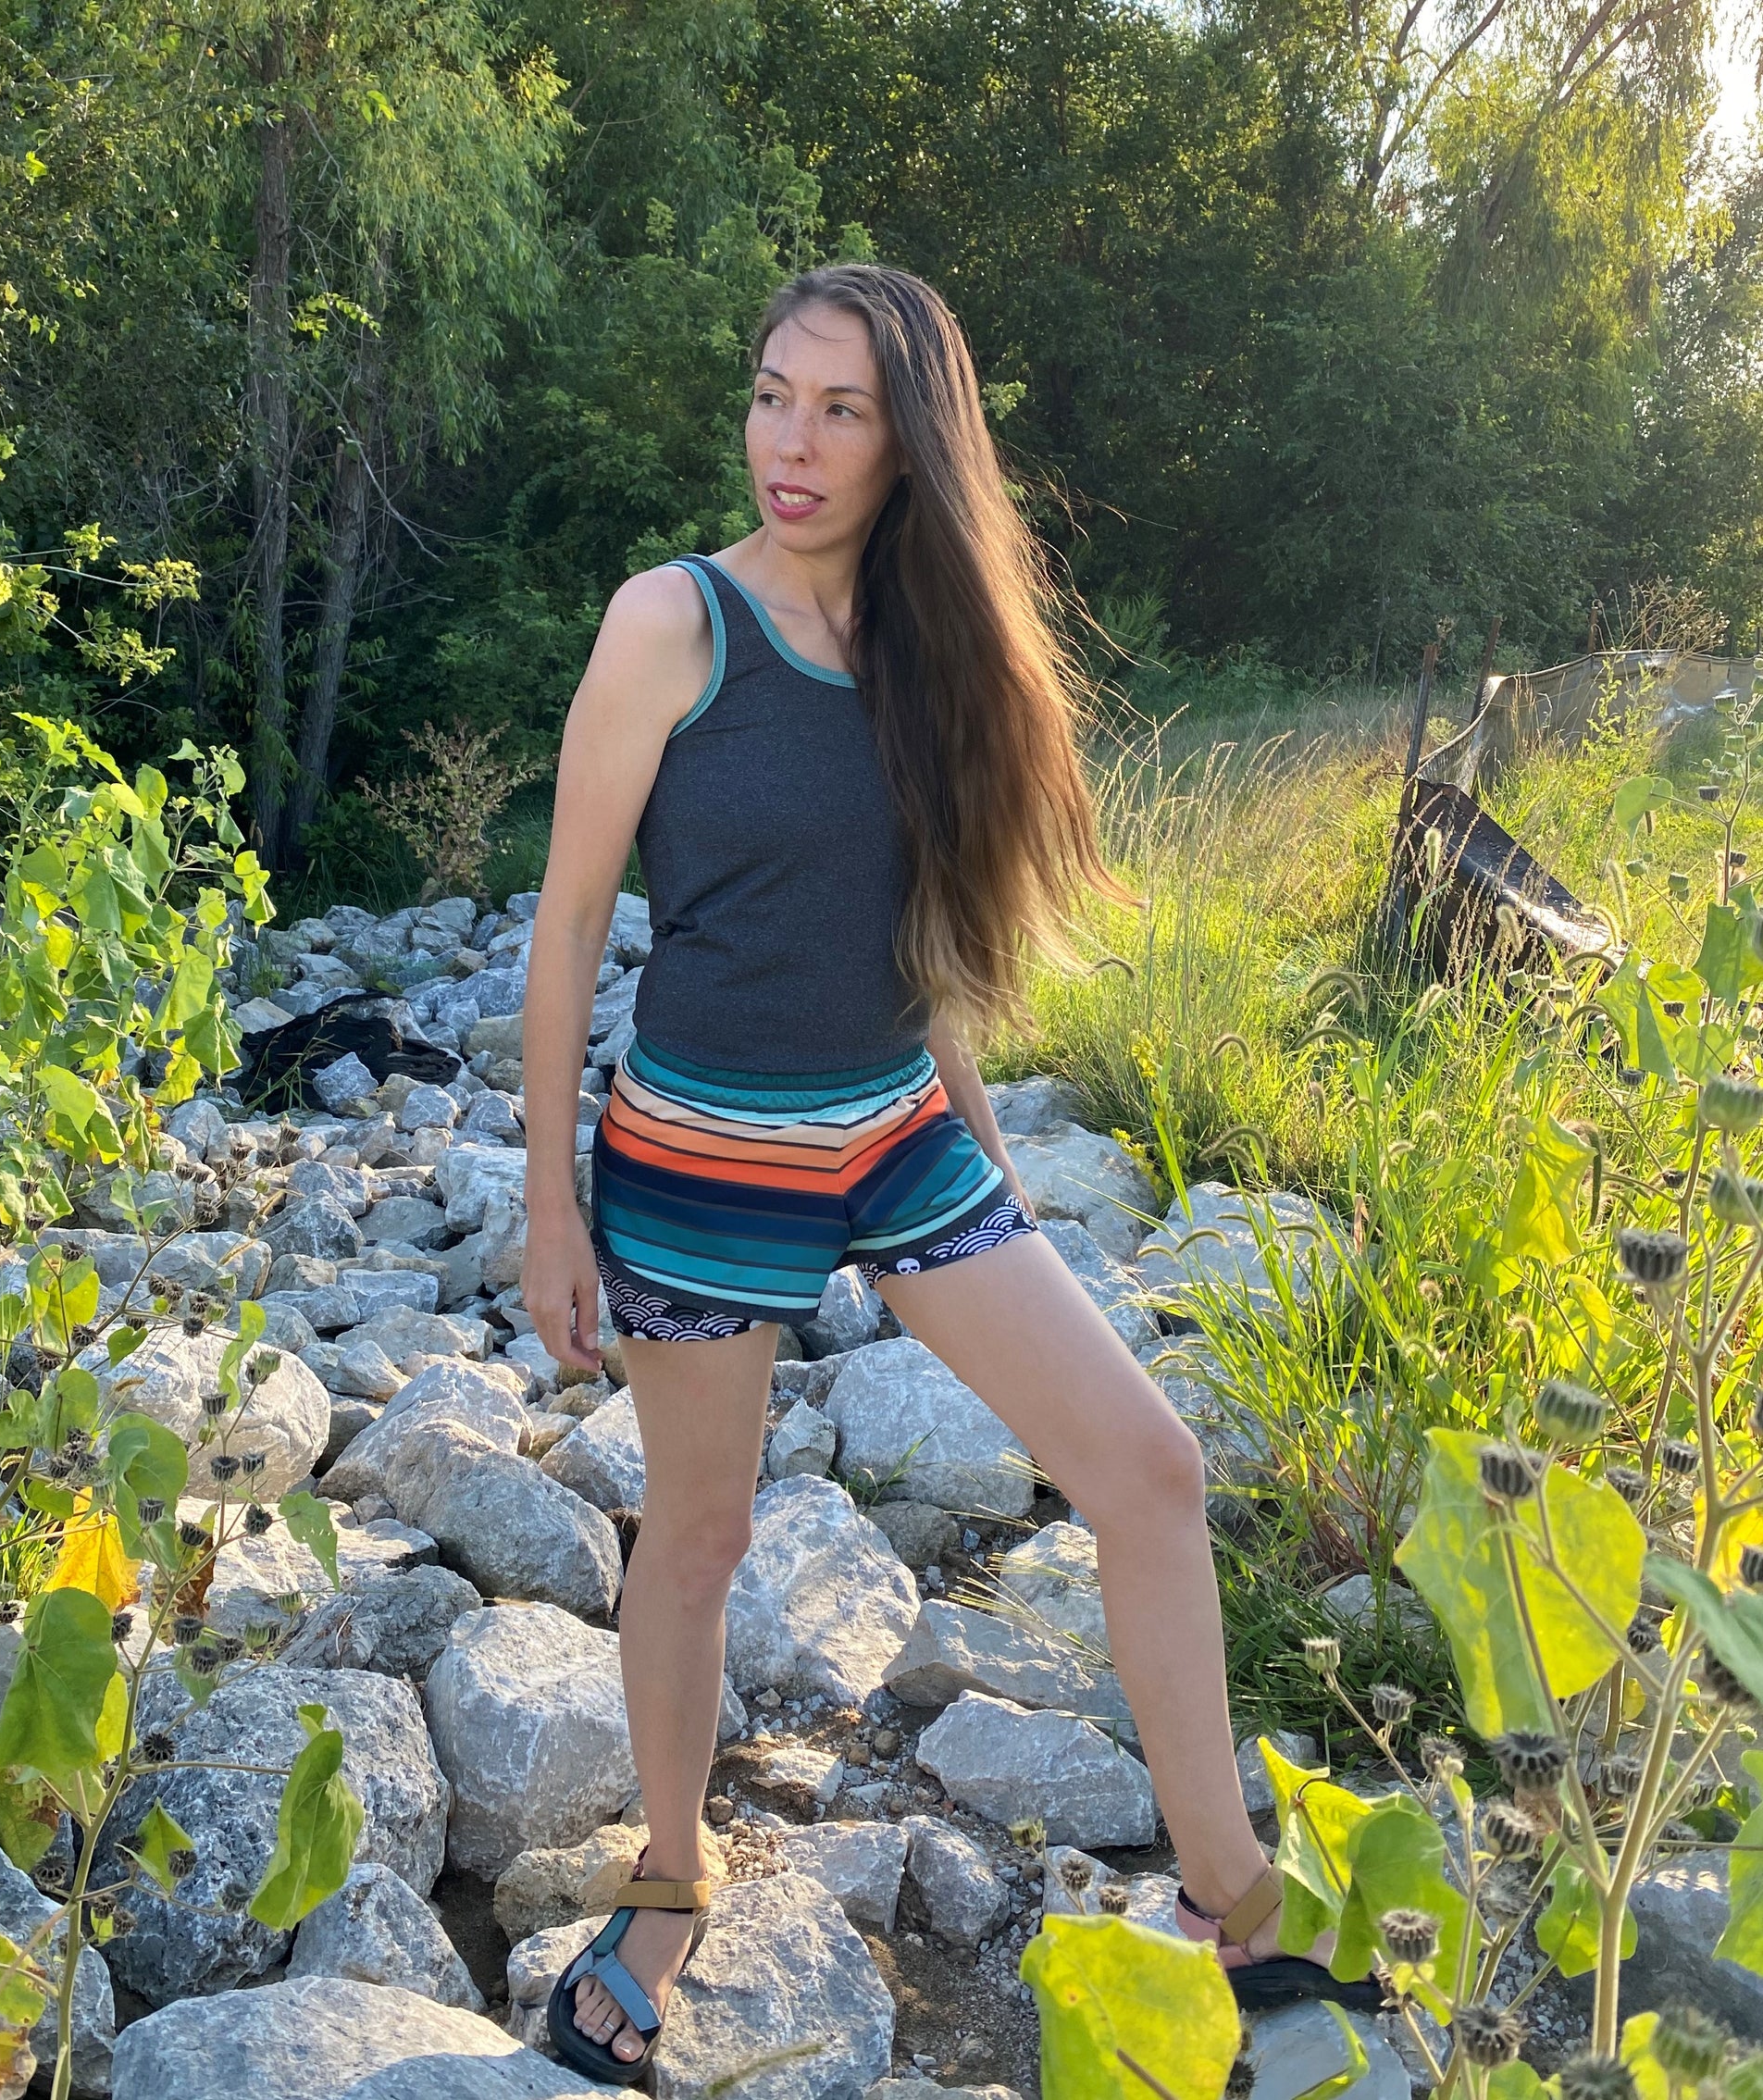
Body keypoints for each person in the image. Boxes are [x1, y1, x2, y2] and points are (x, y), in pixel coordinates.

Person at [519, 262, 1376, 2083]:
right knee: (702, 1535)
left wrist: (986, 1161)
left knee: (1147, 1464)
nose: (791, 441)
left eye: (840, 409)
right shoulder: (672, 622)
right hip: (699, 1145)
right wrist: (546, 1206)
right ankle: (667, 1879)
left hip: (896, 1121)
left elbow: (915, 932)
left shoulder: (927, 645)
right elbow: (571, 923)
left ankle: (1234, 1900)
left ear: (912, 441)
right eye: (772, 394)